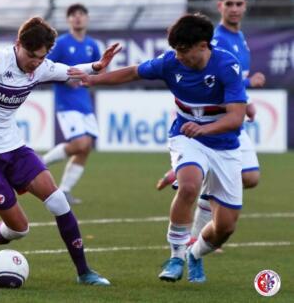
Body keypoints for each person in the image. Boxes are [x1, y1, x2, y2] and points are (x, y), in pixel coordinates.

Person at [69, 14, 247, 283]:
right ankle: (175, 255)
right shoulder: (170, 62)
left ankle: (194, 254)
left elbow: (236, 117)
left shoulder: (226, 65)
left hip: (224, 145)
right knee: (189, 186)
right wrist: (93, 80)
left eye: (184, 50)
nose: (179, 56)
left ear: (203, 45)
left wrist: (205, 128)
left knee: (225, 227)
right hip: (187, 137)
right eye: (176, 50)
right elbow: (132, 72)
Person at [0, 16, 120, 285]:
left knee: (59, 201)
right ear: (18, 44)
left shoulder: (41, 68)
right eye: (31, 55)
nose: (35, 62)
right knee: (20, 228)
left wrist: (97, 66)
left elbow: (69, 70)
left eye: (41, 57)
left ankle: (84, 272)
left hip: (14, 147)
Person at [155, 0, 265, 249]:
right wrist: (249, 87)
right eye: (229, 4)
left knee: (250, 177)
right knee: (232, 179)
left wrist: (246, 98)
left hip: (228, 121)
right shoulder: (215, 40)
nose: (235, 9)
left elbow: (229, 83)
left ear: (245, 6)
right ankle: (193, 236)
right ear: (220, 6)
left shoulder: (239, 38)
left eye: (239, 3)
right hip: (211, 123)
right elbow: (207, 78)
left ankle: (192, 172)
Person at [41, 3, 101, 205]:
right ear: (68, 20)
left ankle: (65, 190)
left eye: (81, 14)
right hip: (66, 102)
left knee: (86, 147)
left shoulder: (93, 45)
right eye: (73, 15)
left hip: (85, 103)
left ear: (87, 18)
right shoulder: (61, 43)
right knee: (80, 143)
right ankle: (39, 164)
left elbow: (96, 71)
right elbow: (45, 68)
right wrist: (65, 79)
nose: (78, 18)